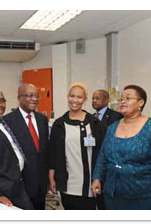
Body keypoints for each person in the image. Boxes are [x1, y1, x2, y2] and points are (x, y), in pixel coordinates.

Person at [91, 85, 151, 210]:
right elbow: (103, 156)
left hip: (143, 196)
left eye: (128, 98)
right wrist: (97, 177)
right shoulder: (112, 127)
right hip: (113, 194)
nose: (122, 101)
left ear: (140, 102)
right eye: (121, 99)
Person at [48, 82, 105, 210]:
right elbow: (53, 153)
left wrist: (98, 178)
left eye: (79, 97)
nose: (75, 100)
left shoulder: (94, 123)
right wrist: (51, 177)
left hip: (90, 184)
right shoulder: (59, 124)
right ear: (68, 97)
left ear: (84, 99)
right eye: (72, 96)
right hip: (67, 184)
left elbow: (102, 154)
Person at [4, 84, 49, 210]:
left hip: (41, 184)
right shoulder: (8, 121)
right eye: (29, 96)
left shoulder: (42, 120)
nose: (34, 99)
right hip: (20, 185)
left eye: (36, 95)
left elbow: (44, 151)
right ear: (19, 98)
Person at [91, 89, 123, 209]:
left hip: (110, 163)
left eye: (97, 98)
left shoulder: (116, 116)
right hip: (96, 162)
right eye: (93, 98)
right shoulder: (91, 117)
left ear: (106, 100)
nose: (94, 101)